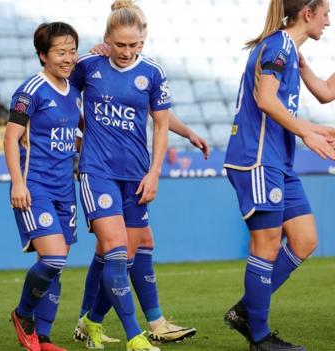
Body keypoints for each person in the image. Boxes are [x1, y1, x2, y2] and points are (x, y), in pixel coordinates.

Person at [72, 0, 198, 347]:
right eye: (120, 45)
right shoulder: (88, 65)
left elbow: (159, 125)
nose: (127, 52)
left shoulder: (153, 73)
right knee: (115, 250)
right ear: (106, 39)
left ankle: (91, 321)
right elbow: (63, 97)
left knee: (127, 252)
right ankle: (136, 335)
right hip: (97, 171)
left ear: (142, 41)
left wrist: (154, 172)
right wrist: (81, 132)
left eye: (134, 45)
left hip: (136, 174)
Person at [222, 0, 335, 350]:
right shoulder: (277, 45)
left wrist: (312, 128)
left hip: (278, 161)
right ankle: (260, 337)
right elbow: (266, 100)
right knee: (266, 246)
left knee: (304, 240)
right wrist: (307, 130)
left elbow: (326, 92)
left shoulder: (289, 49)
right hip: (257, 158)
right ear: (308, 13)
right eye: (326, 13)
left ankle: (246, 309)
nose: (329, 20)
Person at [5, 22, 81, 351]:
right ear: (43, 55)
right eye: (60, 52)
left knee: (57, 266)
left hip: (66, 188)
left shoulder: (73, 89)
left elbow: (78, 129)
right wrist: (18, 183)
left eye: (72, 51)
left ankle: (43, 337)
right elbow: (9, 139)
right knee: (53, 260)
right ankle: (23, 315)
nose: (68, 58)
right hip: (35, 186)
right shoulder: (30, 91)